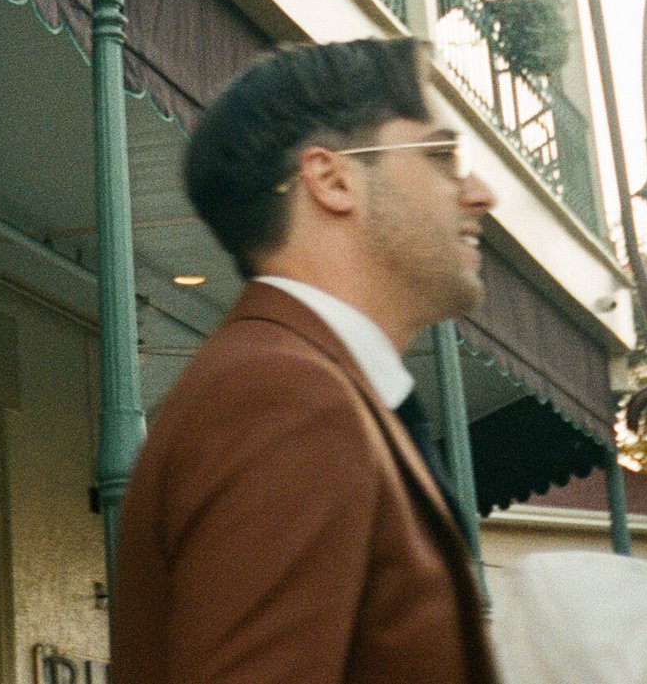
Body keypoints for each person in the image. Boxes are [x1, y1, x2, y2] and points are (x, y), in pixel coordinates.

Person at [111, 38, 501, 684]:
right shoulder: (285, 399)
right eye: (440, 155)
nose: (479, 192)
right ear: (332, 178)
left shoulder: (306, 388)